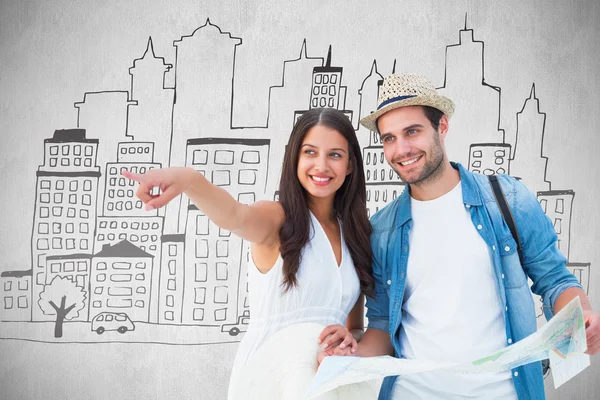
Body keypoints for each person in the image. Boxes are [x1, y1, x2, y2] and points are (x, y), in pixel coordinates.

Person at [342, 73, 600, 400]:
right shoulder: (380, 229)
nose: (401, 149)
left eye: (412, 131)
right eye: (389, 138)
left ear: (442, 127)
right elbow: (381, 324)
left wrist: (583, 315)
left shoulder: (509, 199)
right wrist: (350, 357)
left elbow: (554, 280)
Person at [122, 108, 376, 399]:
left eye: (334, 155)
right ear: (294, 158)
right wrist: (190, 180)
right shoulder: (277, 218)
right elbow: (235, 215)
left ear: (350, 165)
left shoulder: (355, 234)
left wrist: (348, 339)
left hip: (325, 381)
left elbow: (354, 327)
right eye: (310, 152)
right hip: (266, 378)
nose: (321, 165)